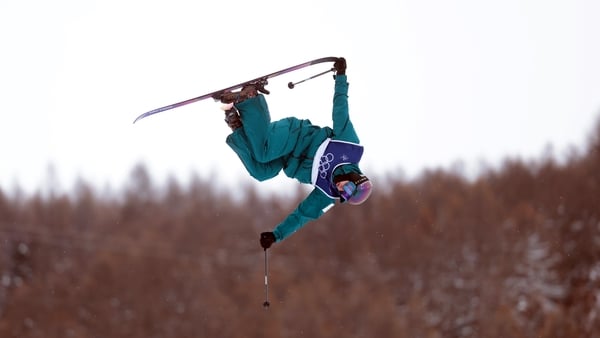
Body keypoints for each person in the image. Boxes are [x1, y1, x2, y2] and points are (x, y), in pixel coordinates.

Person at [216, 57, 372, 250]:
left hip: (286, 158)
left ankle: (236, 123)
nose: (341, 190)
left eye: (344, 196)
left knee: (261, 172)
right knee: (264, 152)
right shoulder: (349, 147)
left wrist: (276, 235)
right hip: (295, 134)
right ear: (356, 177)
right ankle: (251, 98)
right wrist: (341, 77)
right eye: (347, 189)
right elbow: (341, 111)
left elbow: (303, 215)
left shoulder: (327, 193)